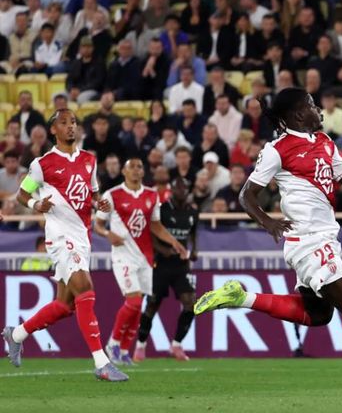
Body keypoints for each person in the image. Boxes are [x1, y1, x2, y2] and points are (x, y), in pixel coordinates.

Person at [194, 87, 342, 396]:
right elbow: (246, 194)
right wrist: (268, 222)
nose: (317, 109)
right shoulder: (278, 149)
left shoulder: (324, 142)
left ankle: (241, 297)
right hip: (308, 241)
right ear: (297, 113)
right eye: (311, 104)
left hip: (324, 237)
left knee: (318, 314)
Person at [2, 109, 128, 381]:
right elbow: (22, 195)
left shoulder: (89, 160)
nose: (71, 126)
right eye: (64, 122)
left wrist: (99, 204)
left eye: (73, 122)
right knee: (85, 288)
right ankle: (102, 363)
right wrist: (37, 203)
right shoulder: (42, 164)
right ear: (53, 130)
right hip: (60, 236)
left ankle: (16, 334)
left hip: (83, 236)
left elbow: (92, 194)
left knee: (65, 304)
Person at [94, 157, 187, 365]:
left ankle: (124, 351)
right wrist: (108, 233)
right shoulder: (112, 195)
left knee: (138, 305)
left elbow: (156, 226)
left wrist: (175, 243)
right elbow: (98, 224)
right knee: (134, 301)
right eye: (132, 167)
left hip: (145, 258)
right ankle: (113, 343)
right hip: (123, 256)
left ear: (143, 172)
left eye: (139, 167)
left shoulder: (152, 195)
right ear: (124, 172)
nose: (136, 170)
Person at [134, 177, 198, 362]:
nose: (182, 191)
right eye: (179, 188)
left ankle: (176, 345)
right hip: (161, 264)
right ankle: (140, 345)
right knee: (152, 304)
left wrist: (194, 250)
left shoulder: (193, 211)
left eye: (185, 188)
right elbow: (151, 232)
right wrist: (163, 250)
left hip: (181, 266)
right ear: (172, 190)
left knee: (191, 304)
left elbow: (193, 233)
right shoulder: (162, 209)